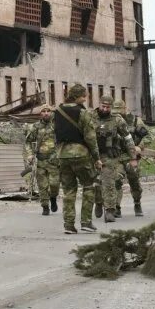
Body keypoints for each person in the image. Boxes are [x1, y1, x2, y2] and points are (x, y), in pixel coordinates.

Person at [53, 83, 102, 234]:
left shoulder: (58, 111)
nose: (86, 98)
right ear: (78, 96)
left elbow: (55, 133)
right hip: (81, 154)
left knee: (68, 190)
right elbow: (91, 137)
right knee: (88, 186)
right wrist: (96, 158)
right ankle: (86, 222)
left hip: (62, 155)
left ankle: (68, 225)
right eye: (84, 96)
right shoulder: (83, 113)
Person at [91, 96, 137, 223]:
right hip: (93, 155)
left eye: (107, 107)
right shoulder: (90, 117)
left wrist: (133, 157)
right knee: (95, 183)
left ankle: (110, 210)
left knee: (109, 182)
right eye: (103, 106)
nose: (105, 109)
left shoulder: (117, 120)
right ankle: (98, 202)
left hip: (109, 155)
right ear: (99, 104)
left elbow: (128, 138)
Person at [112, 99, 147, 216]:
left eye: (119, 110)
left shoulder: (135, 121)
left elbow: (148, 137)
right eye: (115, 110)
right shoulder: (111, 121)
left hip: (132, 156)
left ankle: (137, 202)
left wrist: (139, 147)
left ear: (125, 109)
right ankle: (116, 207)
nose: (117, 113)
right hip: (117, 157)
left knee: (134, 182)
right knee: (117, 180)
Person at [23, 104, 60, 216]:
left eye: (48, 111)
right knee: (42, 186)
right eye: (43, 111)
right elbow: (28, 141)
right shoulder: (36, 127)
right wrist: (29, 154)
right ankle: (45, 206)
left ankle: (53, 197)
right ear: (40, 113)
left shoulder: (57, 126)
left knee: (54, 184)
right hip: (41, 161)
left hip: (54, 161)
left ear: (51, 112)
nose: (46, 113)